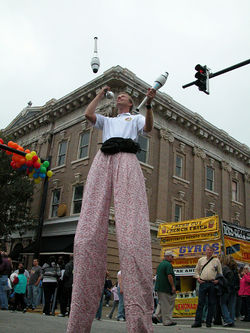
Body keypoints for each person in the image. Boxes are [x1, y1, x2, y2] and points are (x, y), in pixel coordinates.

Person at [67, 86, 156, 333]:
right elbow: (88, 115)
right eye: (117, 95)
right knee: (85, 238)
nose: (120, 97)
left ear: (130, 102)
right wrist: (98, 94)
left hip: (127, 159)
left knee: (131, 239)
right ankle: (77, 324)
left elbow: (148, 127)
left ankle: (139, 325)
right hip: (103, 159)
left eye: (124, 96)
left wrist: (148, 104)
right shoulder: (107, 120)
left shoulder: (135, 117)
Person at [192, 245, 222, 328]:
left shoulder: (216, 261)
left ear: (213, 252)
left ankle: (209, 322)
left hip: (212, 283)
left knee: (211, 303)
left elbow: (220, 273)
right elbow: (196, 270)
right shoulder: (201, 260)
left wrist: (218, 280)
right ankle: (198, 322)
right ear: (206, 251)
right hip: (203, 282)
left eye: (211, 250)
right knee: (201, 303)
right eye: (208, 250)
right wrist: (198, 278)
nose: (209, 251)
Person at [153, 250, 177, 326]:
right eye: (172, 257)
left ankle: (156, 316)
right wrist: (173, 286)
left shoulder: (160, 264)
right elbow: (169, 276)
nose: (173, 258)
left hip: (159, 287)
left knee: (161, 302)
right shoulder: (168, 265)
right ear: (168, 257)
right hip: (165, 288)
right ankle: (167, 321)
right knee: (167, 304)